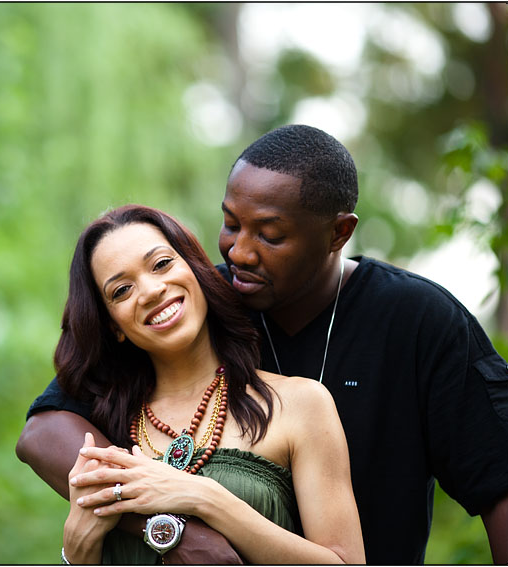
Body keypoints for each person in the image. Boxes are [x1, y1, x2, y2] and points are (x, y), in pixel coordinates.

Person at [17, 125, 508, 564]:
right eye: (231, 223)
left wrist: (201, 505)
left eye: (269, 234)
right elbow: (43, 432)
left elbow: (503, 481)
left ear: (338, 233)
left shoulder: (416, 320)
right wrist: (166, 526)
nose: (238, 251)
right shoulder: (194, 303)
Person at [55, 204, 364, 564]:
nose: (152, 290)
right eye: (122, 290)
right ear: (113, 326)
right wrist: (77, 550)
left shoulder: (299, 404)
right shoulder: (105, 430)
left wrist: (205, 497)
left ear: (195, 269)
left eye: (161, 264)